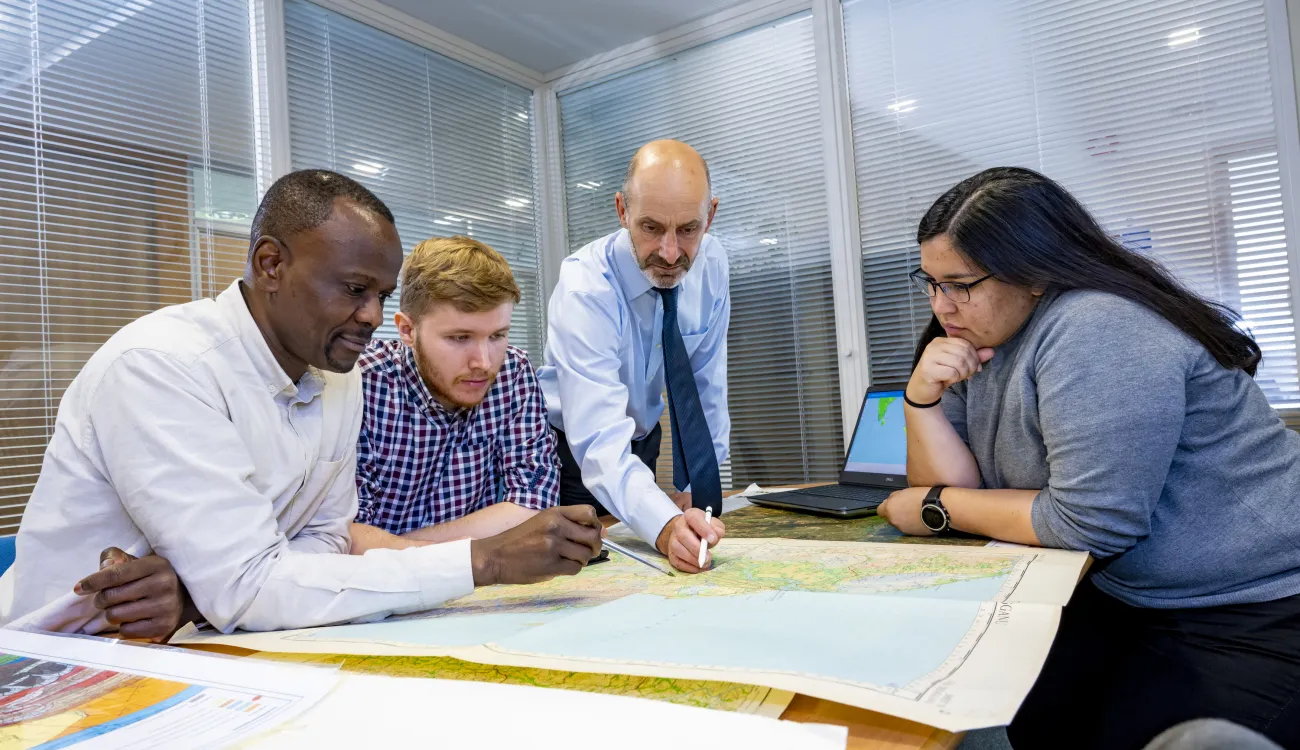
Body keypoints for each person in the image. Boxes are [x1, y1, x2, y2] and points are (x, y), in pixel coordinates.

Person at [0, 169, 602, 639]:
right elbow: (247, 587)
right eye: (354, 289)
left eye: (381, 295)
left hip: (202, 641)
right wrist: (482, 561)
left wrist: (202, 593)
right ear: (271, 264)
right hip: (58, 657)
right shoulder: (163, 366)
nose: (371, 317)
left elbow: (324, 541)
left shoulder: (336, 375)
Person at [877, 167, 1300, 749]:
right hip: (1129, 594)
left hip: (1257, 601)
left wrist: (934, 509)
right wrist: (920, 401)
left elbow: (1092, 524)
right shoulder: (975, 338)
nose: (941, 304)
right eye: (929, 282)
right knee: (1016, 710)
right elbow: (953, 484)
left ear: (1035, 272)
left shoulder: (1100, 326)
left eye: (960, 284)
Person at [537, 140, 728, 573]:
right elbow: (599, 439)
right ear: (622, 210)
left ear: (710, 216)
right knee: (586, 577)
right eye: (651, 227)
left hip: (641, 443)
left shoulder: (712, 264)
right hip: (569, 455)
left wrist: (698, 487)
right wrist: (664, 524)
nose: (670, 253)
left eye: (689, 229)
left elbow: (707, 386)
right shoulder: (585, 288)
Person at [347, 236, 558, 552]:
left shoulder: (512, 372)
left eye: (497, 336)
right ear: (407, 330)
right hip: (380, 581)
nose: (484, 363)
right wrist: (457, 558)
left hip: (469, 573)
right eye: (460, 338)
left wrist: (402, 549)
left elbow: (533, 502)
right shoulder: (362, 384)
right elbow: (346, 535)